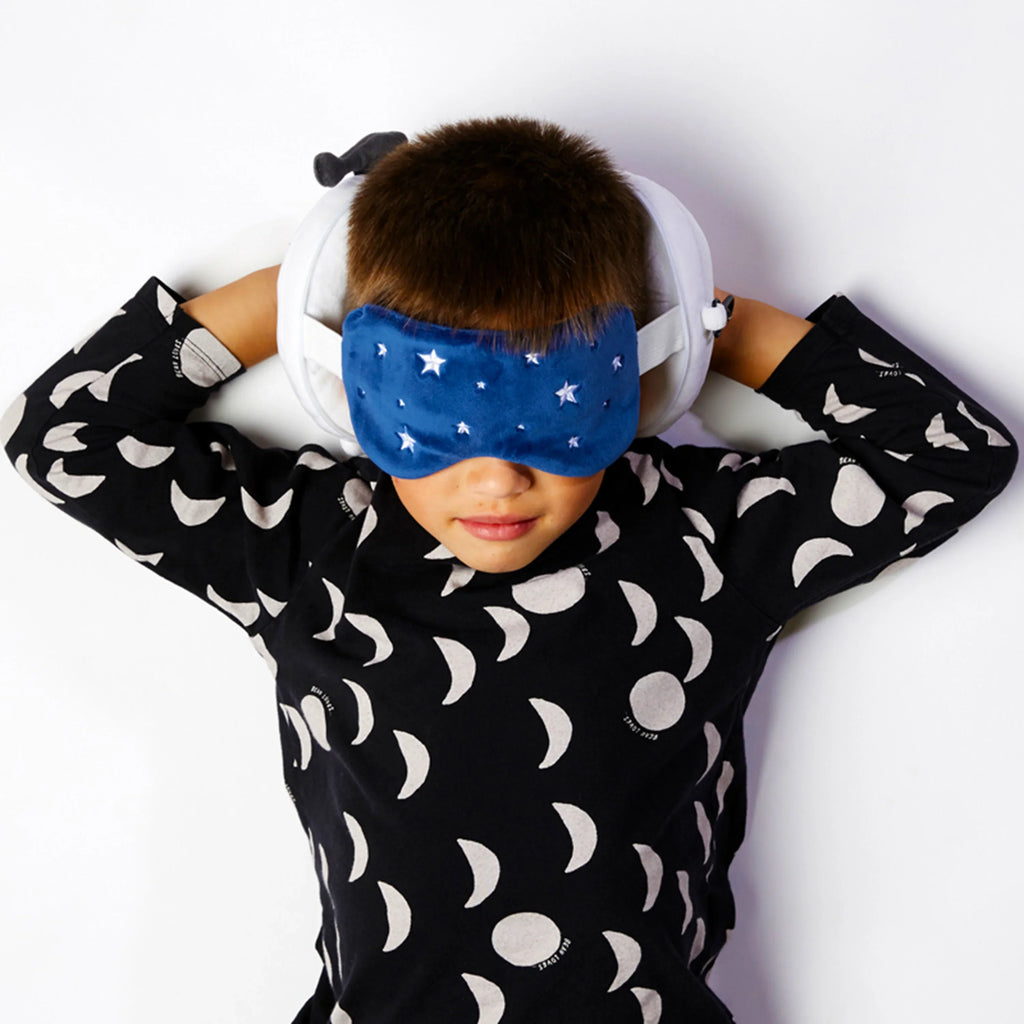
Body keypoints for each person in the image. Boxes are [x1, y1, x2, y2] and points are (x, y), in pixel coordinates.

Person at [2, 116, 1016, 1024]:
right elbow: (64, 437)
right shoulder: (306, 546)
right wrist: (306, 291)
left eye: (553, 408)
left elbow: (949, 457)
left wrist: (691, 311)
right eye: (434, 412)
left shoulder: (705, 540)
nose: (497, 478)